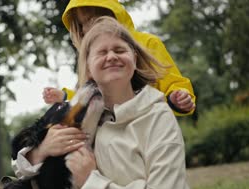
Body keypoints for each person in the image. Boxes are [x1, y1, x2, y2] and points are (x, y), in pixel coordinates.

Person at [16, 16, 211, 189]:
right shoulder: (84, 124)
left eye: (120, 50)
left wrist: (91, 183)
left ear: (134, 60)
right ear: (87, 66)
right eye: (102, 52)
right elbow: (27, 173)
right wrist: (41, 151)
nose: (112, 56)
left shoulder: (157, 115)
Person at [43, 0, 196, 116]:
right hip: (112, 136)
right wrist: (65, 96)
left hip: (150, 125)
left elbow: (173, 83)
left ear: (111, 15)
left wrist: (178, 98)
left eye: (95, 18)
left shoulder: (147, 43)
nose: (90, 27)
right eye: (83, 23)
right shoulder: (92, 57)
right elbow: (90, 93)